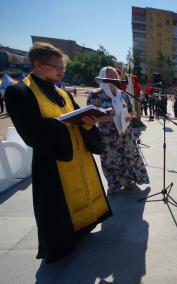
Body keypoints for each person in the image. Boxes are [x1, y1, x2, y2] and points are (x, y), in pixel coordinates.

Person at [5, 42, 112, 263]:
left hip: (79, 156)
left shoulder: (62, 91)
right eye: (56, 67)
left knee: (84, 193)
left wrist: (89, 122)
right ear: (37, 64)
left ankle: (83, 228)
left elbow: (78, 117)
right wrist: (60, 124)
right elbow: (30, 132)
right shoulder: (19, 92)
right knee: (56, 209)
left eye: (62, 67)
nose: (60, 71)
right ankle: (61, 244)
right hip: (54, 161)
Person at [87, 66, 150, 195]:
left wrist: (129, 116)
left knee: (128, 158)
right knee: (111, 160)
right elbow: (90, 116)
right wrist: (110, 117)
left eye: (115, 75)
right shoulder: (96, 95)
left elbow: (132, 112)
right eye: (110, 75)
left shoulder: (123, 95)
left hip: (125, 133)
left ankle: (128, 181)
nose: (114, 78)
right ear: (102, 76)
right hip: (108, 136)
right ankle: (114, 184)